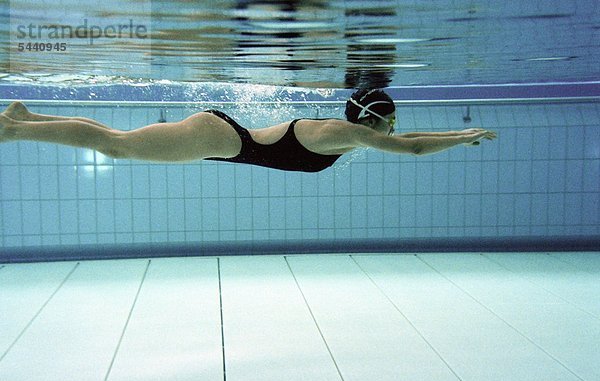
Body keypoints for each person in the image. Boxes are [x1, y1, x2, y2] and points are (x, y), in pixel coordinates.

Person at [0, 89, 496, 172]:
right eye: (390, 121)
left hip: (221, 139)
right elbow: (410, 149)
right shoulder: (356, 133)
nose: (394, 130)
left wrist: (460, 136)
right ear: (373, 119)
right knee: (116, 148)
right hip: (218, 138)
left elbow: (407, 141)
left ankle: (23, 118)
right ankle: (12, 130)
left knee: (117, 140)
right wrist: (465, 137)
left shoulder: (348, 131)